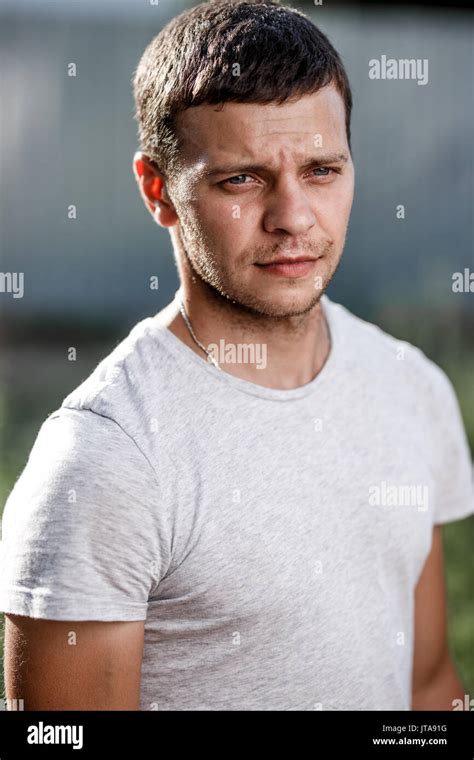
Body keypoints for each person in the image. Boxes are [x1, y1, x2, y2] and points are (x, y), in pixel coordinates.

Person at [1, 0, 473, 711]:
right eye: (242, 178)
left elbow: (429, 688)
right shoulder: (105, 460)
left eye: (321, 169)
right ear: (157, 189)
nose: (294, 217)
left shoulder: (413, 387)